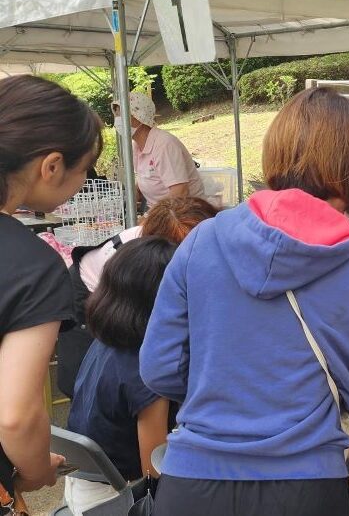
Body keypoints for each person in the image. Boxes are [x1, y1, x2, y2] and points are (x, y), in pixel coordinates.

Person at [140, 87, 349, 515]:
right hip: (306, 486)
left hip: (193, 479)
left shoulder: (203, 240)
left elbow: (158, 367)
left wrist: (225, 386)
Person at [0, 75, 102, 509]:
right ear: (52, 165)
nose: (84, 182)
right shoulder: (31, 265)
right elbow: (17, 416)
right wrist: (38, 468)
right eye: (86, 170)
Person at [57, 197, 219, 398]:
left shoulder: (163, 243)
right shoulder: (140, 260)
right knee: (94, 383)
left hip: (121, 300)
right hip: (92, 298)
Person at [64, 237, 176, 515]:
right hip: (117, 498)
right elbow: (155, 468)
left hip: (81, 484)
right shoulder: (149, 369)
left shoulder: (105, 340)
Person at [112, 92, 205, 209]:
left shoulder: (164, 144)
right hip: (161, 213)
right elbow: (148, 178)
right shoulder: (135, 146)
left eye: (121, 115)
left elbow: (180, 191)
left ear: (137, 116)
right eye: (116, 115)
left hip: (186, 215)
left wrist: (149, 218)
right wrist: (132, 197)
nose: (117, 120)